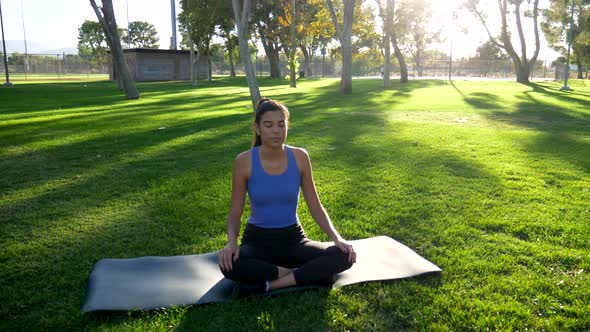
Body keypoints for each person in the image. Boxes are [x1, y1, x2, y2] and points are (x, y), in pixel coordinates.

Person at [218, 97, 356, 294]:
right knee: (228, 263)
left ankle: (272, 283)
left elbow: (315, 205)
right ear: (257, 129)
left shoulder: (300, 157)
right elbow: (234, 213)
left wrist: (336, 237)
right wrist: (232, 242)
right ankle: (299, 274)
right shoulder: (244, 161)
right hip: (257, 241)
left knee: (343, 256)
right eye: (268, 125)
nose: (276, 130)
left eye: (281, 124)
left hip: (294, 240)